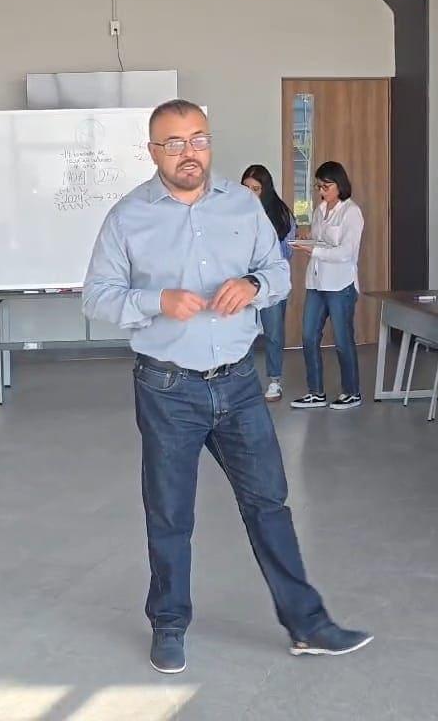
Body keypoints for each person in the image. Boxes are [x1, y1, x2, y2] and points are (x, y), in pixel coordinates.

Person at [83, 100, 372, 675]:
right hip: (168, 388)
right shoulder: (127, 217)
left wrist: (254, 285)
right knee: (170, 513)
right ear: (153, 151)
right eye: (173, 143)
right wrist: (156, 300)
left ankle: (308, 625)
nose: (188, 152)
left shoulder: (243, 204)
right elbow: (97, 297)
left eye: (198, 139)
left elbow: (278, 270)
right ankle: (169, 624)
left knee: (269, 504)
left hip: (239, 383)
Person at [289, 162, 364, 411]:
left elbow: (345, 252)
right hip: (316, 282)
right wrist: (306, 240)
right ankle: (316, 392)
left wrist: (313, 250)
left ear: (339, 184)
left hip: (340, 284)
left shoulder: (351, 212)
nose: (321, 191)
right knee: (309, 336)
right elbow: (320, 241)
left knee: (343, 341)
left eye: (326, 186)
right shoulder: (319, 210)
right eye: (318, 186)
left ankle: (352, 392)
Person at [241, 164, 296, 402]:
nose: (250, 193)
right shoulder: (235, 212)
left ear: (265, 189)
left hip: (271, 283)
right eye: (246, 188)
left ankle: (274, 381)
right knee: (243, 331)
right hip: (243, 282)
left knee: (273, 332)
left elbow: (286, 253)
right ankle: (243, 381)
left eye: (255, 189)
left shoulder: (281, 214)